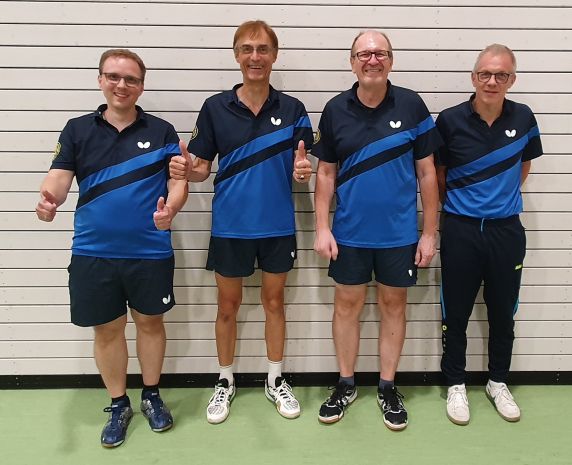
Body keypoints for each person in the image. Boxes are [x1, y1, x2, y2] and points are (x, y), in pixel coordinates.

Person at [35, 49, 188, 447]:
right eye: (114, 77)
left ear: (142, 85)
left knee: (150, 324)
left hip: (150, 251)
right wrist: (49, 200)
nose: (122, 85)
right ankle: (119, 404)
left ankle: (151, 395)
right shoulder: (76, 130)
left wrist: (171, 209)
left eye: (131, 79)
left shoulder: (163, 131)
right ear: (100, 80)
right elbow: (57, 180)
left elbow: (178, 181)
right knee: (107, 330)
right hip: (93, 252)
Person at [169, 20, 313, 424]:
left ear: (274, 55)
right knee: (227, 306)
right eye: (247, 49)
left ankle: (275, 379)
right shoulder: (215, 108)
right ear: (236, 55)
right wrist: (188, 169)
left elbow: (303, 165)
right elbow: (201, 169)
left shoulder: (293, 109)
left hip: (277, 227)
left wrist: (303, 171)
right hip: (229, 228)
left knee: (274, 304)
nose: (255, 56)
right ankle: (225, 380)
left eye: (263, 49)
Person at [312, 30, 441, 430]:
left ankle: (387, 387)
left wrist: (429, 233)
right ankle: (346, 384)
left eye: (380, 53)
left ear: (391, 60)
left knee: (393, 307)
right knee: (346, 307)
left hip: (399, 235)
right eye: (364, 54)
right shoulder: (335, 109)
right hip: (348, 234)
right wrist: (322, 227)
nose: (373, 60)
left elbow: (427, 173)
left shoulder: (412, 105)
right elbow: (326, 173)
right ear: (352, 62)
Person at [435, 44, 543, 425]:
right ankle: (456, 384)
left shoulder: (524, 117)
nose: (492, 81)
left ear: (512, 79)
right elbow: (439, 176)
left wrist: (497, 201)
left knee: (503, 314)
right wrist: (468, 205)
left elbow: (524, 166)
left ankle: (498, 382)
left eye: (501, 75)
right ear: (473, 77)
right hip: (461, 230)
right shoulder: (449, 121)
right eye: (485, 74)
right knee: (456, 314)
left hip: (506, 231)